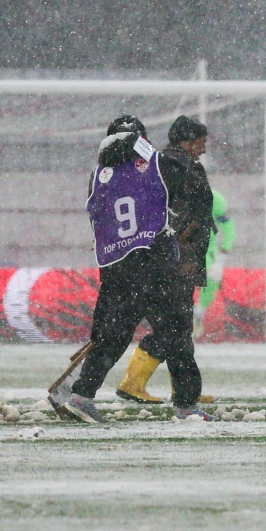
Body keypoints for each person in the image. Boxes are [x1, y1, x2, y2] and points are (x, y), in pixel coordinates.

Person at [63, 115, 212, 423]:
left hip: (115, 265)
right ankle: (186, 405)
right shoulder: (158, 164)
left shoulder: (98, 174)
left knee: (112, 336)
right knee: (176, 334)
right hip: (153, 262)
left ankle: (80, 395)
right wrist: (187, 234)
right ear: (142, 140)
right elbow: (201, 193)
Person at [115, 115, 217, 406]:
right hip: (175, 260)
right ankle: (137, 384)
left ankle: (181, 390)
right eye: (202, 142)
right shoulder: (178, 166)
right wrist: (181, 250)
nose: (204, 149)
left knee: (176, 328)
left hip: (170, 257)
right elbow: (180, 213)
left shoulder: (164, 163)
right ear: (188, 140)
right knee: (175, 328)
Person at [192, 188, 235, 338]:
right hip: (179, 247)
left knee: (213, 275)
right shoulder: (173, 196)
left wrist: (223, 253)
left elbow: (228, 228)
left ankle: (198, 312)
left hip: (206, 249)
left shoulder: (216, 200)